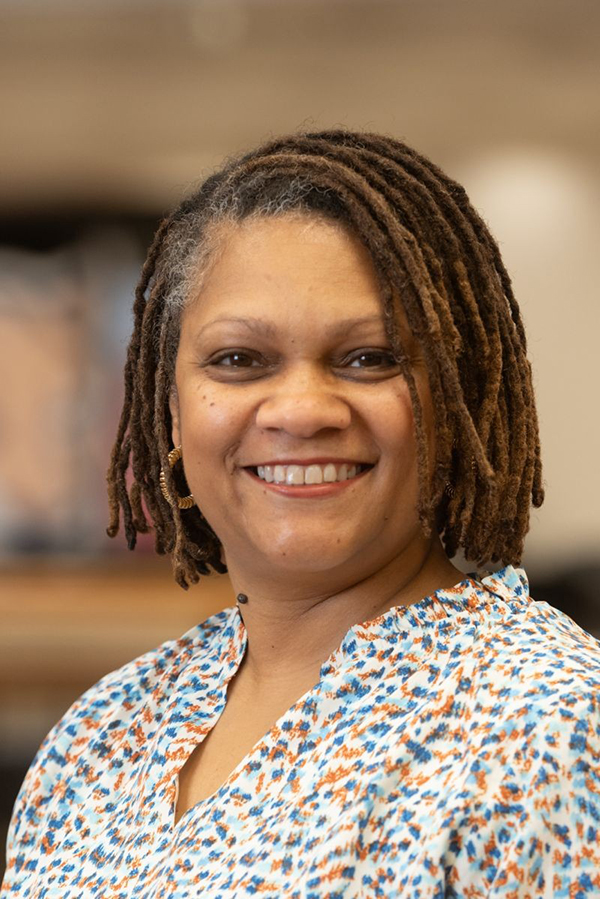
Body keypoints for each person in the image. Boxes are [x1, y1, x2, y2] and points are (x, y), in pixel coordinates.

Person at [2, 130, 599, 898]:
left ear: (455, 398)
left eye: (369, 357)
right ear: (172, 409)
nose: (303, 409)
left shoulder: (547, 726)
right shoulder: (97, 739)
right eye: (239, 360)